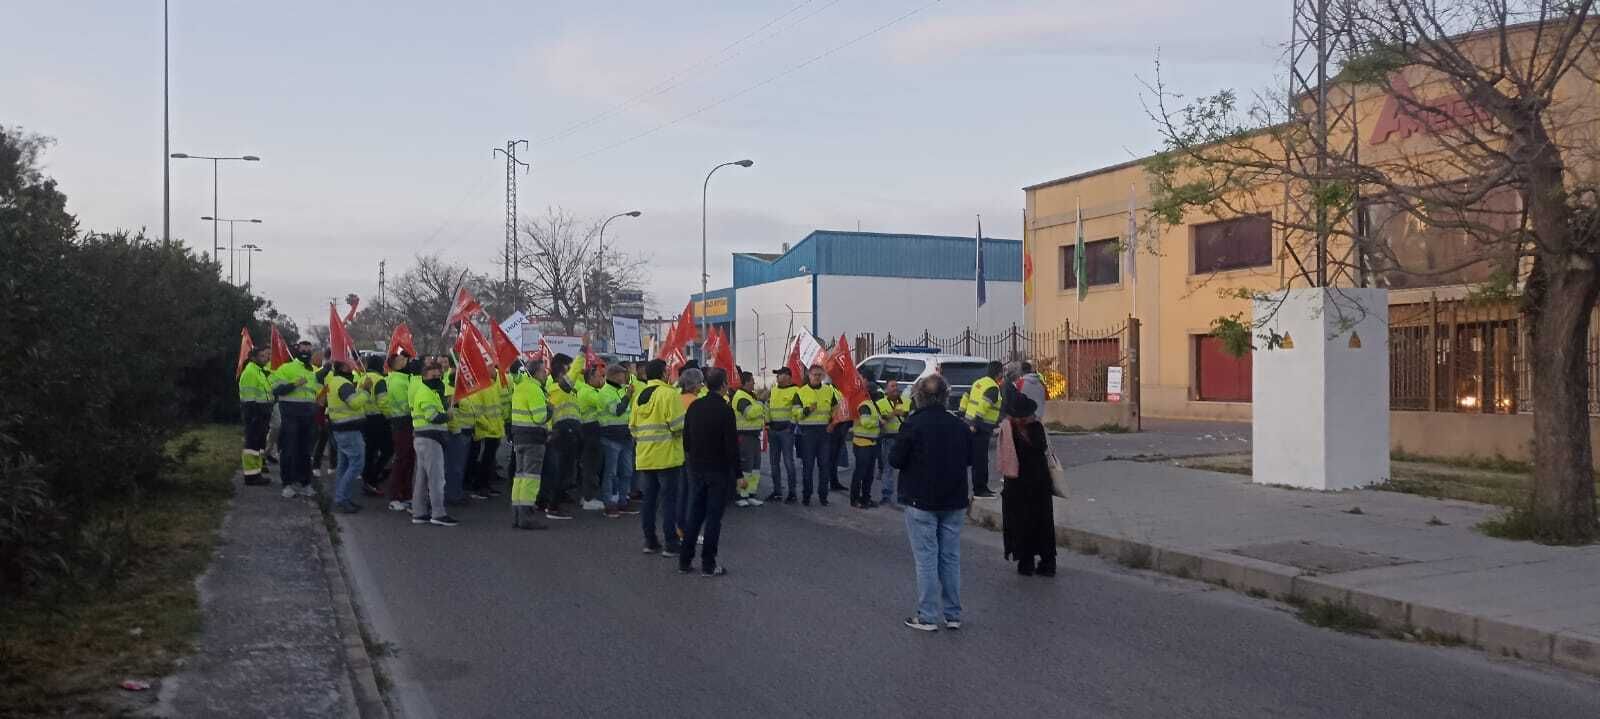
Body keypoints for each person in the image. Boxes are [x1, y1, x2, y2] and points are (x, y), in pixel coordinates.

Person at [890, 374, 972, 631]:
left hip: (920, 499)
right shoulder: (958, 425)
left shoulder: (913, 424)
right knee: (950, 557)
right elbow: (970, 458)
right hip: (954, 499)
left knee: (926, 559)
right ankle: (953, 614)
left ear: (918, 397)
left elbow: (895, 460)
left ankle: (927, 616)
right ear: (946, 396)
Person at [680, 368, 738, 577]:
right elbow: (731, 446)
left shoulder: (695, 406)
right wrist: (738, 474)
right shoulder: (725, 410)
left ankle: (684, 561)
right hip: (718, 470)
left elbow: (686, 439)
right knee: (713, 518)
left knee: (695, 514)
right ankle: (708, 564)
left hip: (697, 467)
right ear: (723, 386)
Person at [632, 359, 686, 556]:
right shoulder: (669, 394)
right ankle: (671, 543)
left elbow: (633, 428)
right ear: (664, 373)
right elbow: (678, 425)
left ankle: (650, 541)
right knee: (669, 501)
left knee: (649, 501)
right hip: (667, 456)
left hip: (645, 457)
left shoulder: (639, 396)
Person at [999, 393, 1057, 577]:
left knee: (1021, 523)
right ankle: (1048, 562)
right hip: (1039, 482)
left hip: (1017, 485)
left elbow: (1004, 459)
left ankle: (1026, 562)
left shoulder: (1009, 430)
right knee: (1043, 522)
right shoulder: (1037, 427)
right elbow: (1044, 449)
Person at [269, 340, 321, 499]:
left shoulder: (312, 371)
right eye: (303, 349)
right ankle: (287, 484)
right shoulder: (286, 368)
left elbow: (314, 393)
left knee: (305, 451)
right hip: (290, 413)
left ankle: (305, 483)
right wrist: (294, 384)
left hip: (308, 414)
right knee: (289, 449)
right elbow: (276, 389)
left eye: (309, 350)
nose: (306, 352)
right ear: (297, 350)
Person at [410, 358, 459, 527]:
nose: (436, 379)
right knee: (436, 479)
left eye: (439, 376)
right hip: (430, 439)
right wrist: (448, 416)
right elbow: (433, 417)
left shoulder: (432, 392)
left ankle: (419, 512)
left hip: (425, 439)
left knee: (422, 479)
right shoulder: (425, 393)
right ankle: (438, 513)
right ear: (424, 376)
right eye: (433, 376)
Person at [325, 358, 376, 513]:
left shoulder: (334, 380)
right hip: (349, 430)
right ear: (343, 367)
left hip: (340, 428)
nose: (353, 365)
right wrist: (366, 391)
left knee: (343, 465)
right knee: (356, 465)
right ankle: (341, 499)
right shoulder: (343, 384)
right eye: (349, 363)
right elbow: (354, 403)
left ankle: (343, 498)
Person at [509, 359, 551, 530]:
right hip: (533, 439)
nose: (545, 374)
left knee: (520, 477)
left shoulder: (521, 387)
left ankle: (517, 515)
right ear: (535, 373)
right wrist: (550, 410)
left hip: (519, 438)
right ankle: (527, 517)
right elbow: (540, 417)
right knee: (531, 478)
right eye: (543, 371)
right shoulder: (534, 389)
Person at [540, 353, 582, 520]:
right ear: (560, 375)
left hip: (569, 434)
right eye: (567, 371)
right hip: (560, 435)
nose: (571, 374)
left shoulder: (569, 390)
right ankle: (552, 506)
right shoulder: (557, 388)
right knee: (560, 472)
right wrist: (583, 350)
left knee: (565, 472)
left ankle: (554, 500)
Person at [795, 364, 841, 506]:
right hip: (807, 433)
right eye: (814, 375)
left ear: (822, 376)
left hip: (824, 432)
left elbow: (836, 410)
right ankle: (807, 496)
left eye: (819, 375)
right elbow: (796, 414)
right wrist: (807, 410)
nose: (817, 377)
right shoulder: (801, 392)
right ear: (809, 375)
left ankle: (823, 496)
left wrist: (832, 424)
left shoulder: (828, 390)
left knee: (824, 465)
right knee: (808, 466)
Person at [598, 363, 637, 518]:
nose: (625, 377)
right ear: (614, 376)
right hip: (611, 438)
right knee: (611, 473)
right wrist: (628, 396)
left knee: (626, 471)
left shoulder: (620, 390)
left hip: (626, 438)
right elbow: (618, 410)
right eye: (622, 374)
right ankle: (610, 503)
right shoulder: (606, 392)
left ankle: (623, 501)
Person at [962, 360, 1003, 499]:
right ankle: (980, 490)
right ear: (999, 374)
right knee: (980, 460)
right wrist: (975, 423)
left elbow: (965, 396)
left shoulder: (978, 382)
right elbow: (982, 408)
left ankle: (980, 488)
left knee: (975, 459)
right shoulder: (993, 388)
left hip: (971, 425)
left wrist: (963, 415)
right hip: (980, 427)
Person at [465, 371, 508, 500]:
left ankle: (485, 485)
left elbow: (496, 408)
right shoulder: (479, 385)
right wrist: (489, 426)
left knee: (489, 461)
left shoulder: (493, 385)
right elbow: (477, 411)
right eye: (490, 365)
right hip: (485, 431)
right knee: (483, 460)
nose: (494, 368)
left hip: (495, 430)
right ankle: (478, 487)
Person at [384, 355, 418, 512]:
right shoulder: (398, 381)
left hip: (406, 423)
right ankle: (395, 496)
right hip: (402, 423)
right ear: (395, 366)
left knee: (409, 460)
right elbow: (409, 402)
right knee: (402, 460)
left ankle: (405, 494)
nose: (406, 362)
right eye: (402, 361)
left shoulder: (404, 378)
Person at [238, 345, 274, 486]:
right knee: (252, 445)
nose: (266, 358)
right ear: (253, 358)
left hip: (262, 413)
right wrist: (253, 415)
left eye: (266, 356)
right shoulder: (251, 373)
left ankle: (256, 472)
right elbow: (248, 398)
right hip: (254, 414)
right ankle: (250, 476)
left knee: (259, 445)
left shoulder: (259, 371)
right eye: (263, 356)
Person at [764, 367, 800, 503]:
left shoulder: (796, 391)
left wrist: (791, 426)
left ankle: (792, 493)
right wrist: (767, 423)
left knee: (788, 462)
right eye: (777, 375)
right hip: (773, 430)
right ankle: (777, 492)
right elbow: (767, 407)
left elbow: (796, 410)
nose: (777, 377)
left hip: (786, 431)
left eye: (780, 374)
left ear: (788, 376)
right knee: (774, 463)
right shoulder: (773, 390)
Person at [730, 370, 766, 507]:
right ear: (746, 382)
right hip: (745, 436)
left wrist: (759, 404)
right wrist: (761, 403)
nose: (754, 383)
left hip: (754, 436)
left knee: (755, 468)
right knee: (746, 467)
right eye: (752, 381)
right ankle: (741, 495)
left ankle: (751, 493)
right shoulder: (741, 397)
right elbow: (749, 413)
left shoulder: (750, 397)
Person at [849, 378, 885, 509]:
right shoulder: (864, 405)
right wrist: (878, 423)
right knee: (860, 473)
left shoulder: (872, 404)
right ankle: (855, 499)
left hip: (872, 443)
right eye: (875, 392)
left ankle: (866, 498)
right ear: (869, 392)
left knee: (869, 474)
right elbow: (865, 422)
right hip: (862, 443)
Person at [361, 355, 394, 497]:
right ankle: (374, 479)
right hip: (379, 420)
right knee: (388, 450)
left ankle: (367, 479)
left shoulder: (364, 377)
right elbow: (383, 403)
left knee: (370, 452)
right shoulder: (379, 380)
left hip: (365, 418)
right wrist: (390, 417)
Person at [576, 362, 607, 511]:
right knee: (591, 465)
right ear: (590, 378)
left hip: (589, 430)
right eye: (599, 376)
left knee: (591, 465)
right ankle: (589, 498)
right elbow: (604, 402)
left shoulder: (587, 390)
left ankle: (587, 496)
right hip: (590, 431)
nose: (601, 379)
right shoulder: (589, 392)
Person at [877, 380, 910, 506]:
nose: (895, 388)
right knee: (888, 468)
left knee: (905, 468)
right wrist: (893, 414)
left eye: (896, 385)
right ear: (886, 389)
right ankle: (886, 495)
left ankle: (903, 495)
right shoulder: (880, 403)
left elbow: (913, 417)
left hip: (903, 438)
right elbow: (880, 420)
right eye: (892, 386)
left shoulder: (907, 401)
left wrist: (905, 414)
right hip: (888, 438)